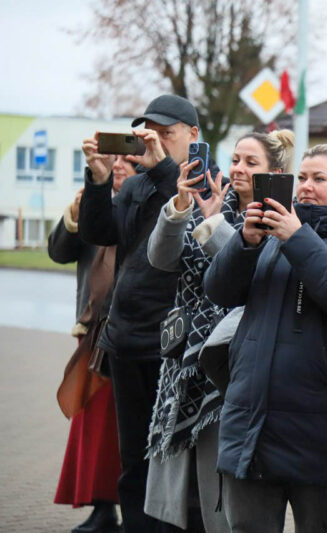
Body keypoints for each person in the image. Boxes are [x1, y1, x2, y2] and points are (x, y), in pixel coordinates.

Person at [204, 144, 327, 533]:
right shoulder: (271, 232)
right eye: (301, 177)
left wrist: (297, 237)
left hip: (320, 432)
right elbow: (218, 291)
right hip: (253, 424)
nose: (306, 187)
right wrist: (246, 243)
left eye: (319, 179)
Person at [143, 129, 295, 531]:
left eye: (251, 163)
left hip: (230, 368)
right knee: (183, 497)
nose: (238, 169)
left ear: (274, 172)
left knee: (220, 498)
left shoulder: (281, 220)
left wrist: (214, 225)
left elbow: (252, 279)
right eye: (235, 160)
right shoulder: (210, 203)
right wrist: (180, 205)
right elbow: (160, 257)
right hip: (185, 366)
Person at [79, 94, 207, 532]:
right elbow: (100, 232)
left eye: (166, 134)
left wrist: (163, 169)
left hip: (172, 346)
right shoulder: (135, 185)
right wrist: (97, 182)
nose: (156, 142)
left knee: (172, 459)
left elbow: (190, 222)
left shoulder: (206, 183)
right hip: (127, 340)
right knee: (133, 457)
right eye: (148, 133)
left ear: (193, 134)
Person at [50, 155, 135, 533]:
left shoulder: (146, 207)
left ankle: (123, 511)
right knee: (93, 426)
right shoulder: (93, 206)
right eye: (115, 160)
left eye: (130, 161)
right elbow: (59, 252)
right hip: (94, 335)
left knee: (122, 431)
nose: (119, 166)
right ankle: (102, 509)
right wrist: (74, 214)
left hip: (133, 335)